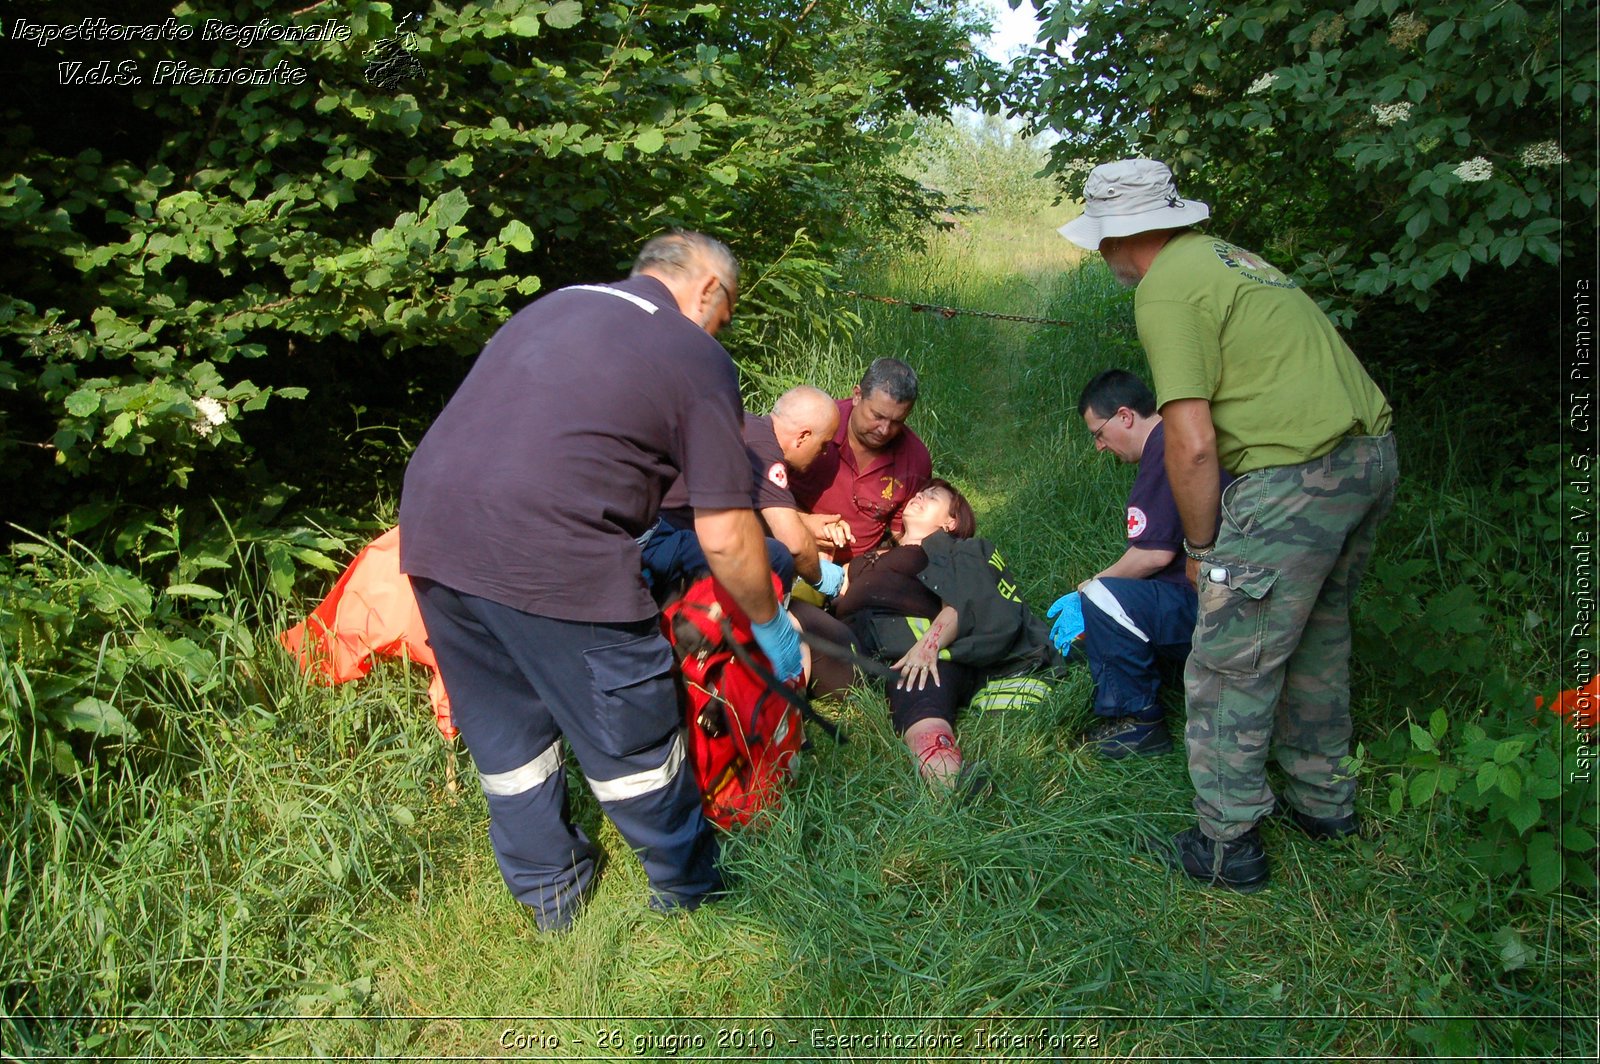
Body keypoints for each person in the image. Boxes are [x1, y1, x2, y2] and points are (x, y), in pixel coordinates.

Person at [398, 231, 804, 931]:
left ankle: (553, 902)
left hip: (433, 535)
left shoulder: (553, 307)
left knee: (507, 741)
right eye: (726, 312)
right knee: (636, 736)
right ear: (708, 289)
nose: (720, 327)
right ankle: (691, 896)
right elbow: (727, 532)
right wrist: (769, 624)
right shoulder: (692, 351)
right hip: (552, 549)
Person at [1060, 159, 1397, 893]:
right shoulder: (1231, 258)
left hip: (1293, 476)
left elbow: (1192, 441)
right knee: (1315, 636)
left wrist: (1206, 550)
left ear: (1123, 236)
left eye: (1100, 239)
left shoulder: (1167, 289)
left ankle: (1227, 842)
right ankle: (1323, 803)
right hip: (1367, 459)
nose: (1100, 253)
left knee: (1226, 659)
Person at [832, 479, 1064, 791]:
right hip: (851, 638)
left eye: (931, 496)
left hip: (907, 645)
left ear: (950, 521)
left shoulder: (944, 550)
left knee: (917, 687)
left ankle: (948, 778)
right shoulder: (869, 556)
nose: (918, 497)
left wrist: (927, 647)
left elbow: (960, 604)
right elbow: (829, 586)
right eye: (918, 493)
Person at [1058, 369, 1231, 759]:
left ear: (1125, 416)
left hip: (1212, 604)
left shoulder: (1163, 449)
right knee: (1105, 605)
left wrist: (1085, 590)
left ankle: (1137, 723)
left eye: (1098, 433)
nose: (1100, 447)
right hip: (1229, 587)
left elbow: (1154, 554)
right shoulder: (1179, 438)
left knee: (1103, 598)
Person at [645, 385, 845, 599]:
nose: (823, 453)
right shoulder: (765, 449)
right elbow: (795, 545)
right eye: (823, 445)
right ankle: (766, 628)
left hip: (656, 522)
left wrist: (805, 522)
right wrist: (822, 577)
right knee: (778, 556)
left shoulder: (746, 426)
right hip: (664, 538)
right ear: (803, 437)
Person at [789, 358, 932, 563]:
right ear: (857, 395)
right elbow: (759, 492)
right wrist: (805, 523)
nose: (884, 430)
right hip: (786, 542)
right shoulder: (813, 425)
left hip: (858, 569)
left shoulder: (915, 460)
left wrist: (869, 568)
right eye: (877, 416)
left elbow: (904, 535)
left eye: (897, 422)